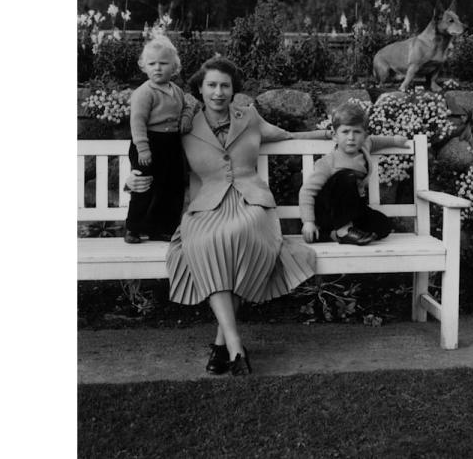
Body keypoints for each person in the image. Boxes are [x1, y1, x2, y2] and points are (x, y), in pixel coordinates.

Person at [125, 56, 327, 376]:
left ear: (234, 90)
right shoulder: (183, 125)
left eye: (225, 86)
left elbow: (285, 135)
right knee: (211, 241)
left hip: (251, 203)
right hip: (207, 206)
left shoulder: (249, 117)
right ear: (200, 90)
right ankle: (233, 347)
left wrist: (327, 135)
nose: (218, 92)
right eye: (212, 86)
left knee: (241, 235)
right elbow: (155, 160)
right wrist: (132, 180)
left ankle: (225, 345)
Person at [124, 36, 200, 244]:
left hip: (171, 143)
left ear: (174, 67)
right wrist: (143, 149)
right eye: (152, 64)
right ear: (144, 67)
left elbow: (188, 105)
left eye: (163, 63)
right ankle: (133, 227)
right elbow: (137, 122)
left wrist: (185, 117)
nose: (157, 68)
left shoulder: (176, 91)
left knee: (170, 187)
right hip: (147, 143)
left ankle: (162, 228)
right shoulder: (144, 93)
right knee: (144, 185)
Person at [299, 102, 408, 246]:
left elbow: (374, 141)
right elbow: (306, 192)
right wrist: (308, 222)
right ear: (335, 135)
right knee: (346, 176)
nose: (351, 137)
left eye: (357, 132)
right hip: (328, 210)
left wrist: (394, 140)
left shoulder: (364, 147)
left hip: (351, 208)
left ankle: (333, 235)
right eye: (345, 132)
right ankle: (343, 230)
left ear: (364, 134)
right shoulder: (328, 162)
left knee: (382, 226)